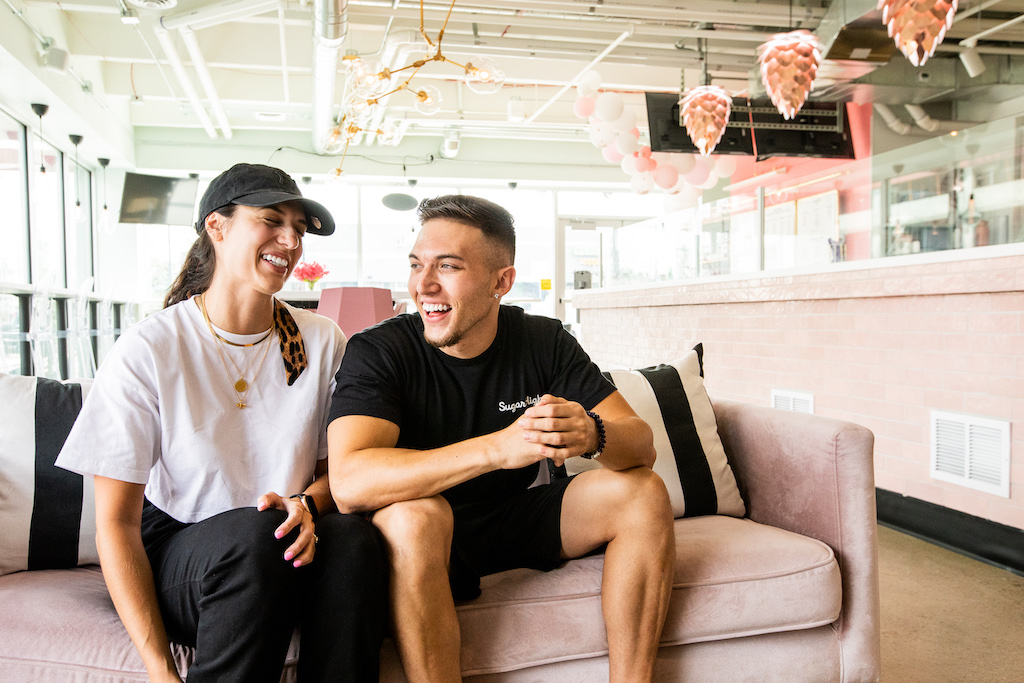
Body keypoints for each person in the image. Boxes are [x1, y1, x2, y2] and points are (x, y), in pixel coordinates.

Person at [56, 163, 387, 683]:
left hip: (288, 532)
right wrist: (161, 670)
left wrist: (305, 505)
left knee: (353, 540)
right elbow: (115, 525)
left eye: (299, 228)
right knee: (259, 536)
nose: (291, 241)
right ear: (217, 226)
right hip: (186, 553)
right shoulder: (151, 347)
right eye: (271, 221)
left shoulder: (321, 339)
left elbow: (338, 475)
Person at [328, 194, 675, 683]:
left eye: (448, 266)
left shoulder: (544, 340)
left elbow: (642, 446)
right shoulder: (380, 349)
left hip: (510, 518)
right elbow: (349, 482)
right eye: (416, 264)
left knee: (642, 492)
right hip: (425, 531)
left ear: (501, 282)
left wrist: (592, 433)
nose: (423, 285)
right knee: (412, 517)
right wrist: (496, 448)